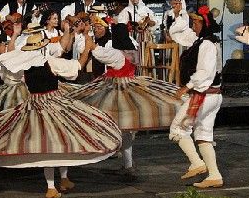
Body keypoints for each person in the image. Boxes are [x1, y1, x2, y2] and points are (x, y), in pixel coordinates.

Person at [0, 33, 122, 198]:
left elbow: (7, 70)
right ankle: (51, 187)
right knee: (56, 143)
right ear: (42, 48)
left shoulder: (24, 67)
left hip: (35, 105)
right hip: (50, 103)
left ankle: (63, 179)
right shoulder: (50, 62)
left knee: (55, 142)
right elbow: (78, 65)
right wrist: (87, 50)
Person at [68, 26, 182, 178]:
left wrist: (88, 40)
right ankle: (126, 163)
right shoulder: (132, 50)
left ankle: (121, 160)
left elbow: (99, 53)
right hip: (129, 86)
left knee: (114, 122)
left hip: (117, 89)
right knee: (125, 129)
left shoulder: (116, 53)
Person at [168, 5, 224, 189]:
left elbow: (204, 73)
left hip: (203, 95)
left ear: (204, 24)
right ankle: (214, 175)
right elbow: (177, 34)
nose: (193, 26)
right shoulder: (202, 41)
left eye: (196, 22)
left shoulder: (207, 44)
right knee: (203, 134)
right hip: (210, 95)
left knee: (178, 128)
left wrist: (187, 87)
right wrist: (178, 14)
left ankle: (197, 163)